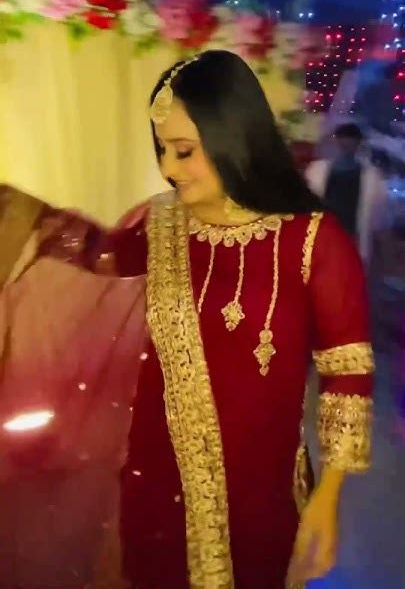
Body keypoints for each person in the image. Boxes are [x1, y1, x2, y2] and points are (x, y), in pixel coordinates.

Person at [0, 51, 374, 589]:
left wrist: (329, 497)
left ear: (233, 137)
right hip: (153, 483)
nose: (169, 169)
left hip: (260, 494)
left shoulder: (316, 240)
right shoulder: (162, 224)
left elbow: (348, 375)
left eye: (184, 151)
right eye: (163, 151)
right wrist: (15, 212)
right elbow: (95, 252)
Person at [305, 122, 387, 263]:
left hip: (352, 235)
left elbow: (378, 213)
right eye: (343, 143)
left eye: (350, 143)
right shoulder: (316, 170)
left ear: (358, 144)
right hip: (323, 234)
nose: (346, 147)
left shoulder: (372, 176)